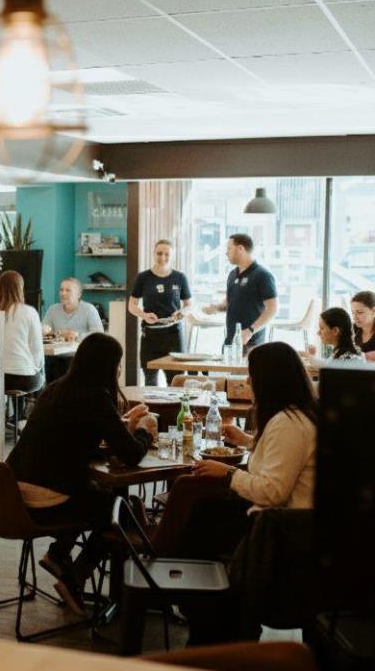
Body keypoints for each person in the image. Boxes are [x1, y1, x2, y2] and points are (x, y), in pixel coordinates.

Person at [7, 333, 156, 614]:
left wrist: (125, 427)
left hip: (13, 494)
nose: (119, 370)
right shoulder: (96, 397)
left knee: (101, 497)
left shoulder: (57, 388)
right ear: (108, 367)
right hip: (46, 500)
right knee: (122, 511)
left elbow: (72, 439)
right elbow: (131, 454)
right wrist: (144, 431)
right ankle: (75, 577)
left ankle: (58, 554)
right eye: (118, 364)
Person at [152, 340, 316, 559]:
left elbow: (272, 492)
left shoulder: (288, 423)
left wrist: (229, 473)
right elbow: (282, 457)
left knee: (194, 506)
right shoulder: (296, 416)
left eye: (251, 374)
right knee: (192, 495)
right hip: (279, 518)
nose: (248, 381)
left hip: (280, 527)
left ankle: (159, 558)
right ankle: (164, 558)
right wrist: (248, 441)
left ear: (269, 380)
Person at [128, 239, 193, 384]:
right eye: (159, 253)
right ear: (153, 254)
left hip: (173, 335)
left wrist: (181, 312)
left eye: (166, 254)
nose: (162, 257)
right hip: (150, 335)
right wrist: (144, 315)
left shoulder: (180, 277)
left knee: (176, 380)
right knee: (150, 379)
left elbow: (189, 305)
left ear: (172, 256)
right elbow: (131, 305)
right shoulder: (143, 277)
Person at [204, 233, 278, 352]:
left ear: (240, 248)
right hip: (230, 341)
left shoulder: (262, 275)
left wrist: (250, 331)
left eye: (229, 248)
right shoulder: (232, 274)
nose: (226, 253)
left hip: (251, 343)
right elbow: (230, 301)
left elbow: (273, 309)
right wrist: (216, 308)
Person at [0, 270, 44, 394]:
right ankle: (30, 405)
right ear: (20, 288)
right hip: (24, 379)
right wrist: (35, 369)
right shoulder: (29, 312)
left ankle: (8, 407)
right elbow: (37, 351)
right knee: (41, 376)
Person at [43, 277, 103, 382]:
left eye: (68, 290)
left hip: (80, 358)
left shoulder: (89, 309)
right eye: (61, 290)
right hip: (55, 357)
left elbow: (99, 334)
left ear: (78, 295)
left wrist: (76, 335)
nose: (63, 293)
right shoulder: (53, 309)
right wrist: (57, 333)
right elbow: (43, 329)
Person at [351, 291, 375, 361]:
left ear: (373, 311)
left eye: (359, 312)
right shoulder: (352, 329)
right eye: (353, 313)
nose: (354, 317)